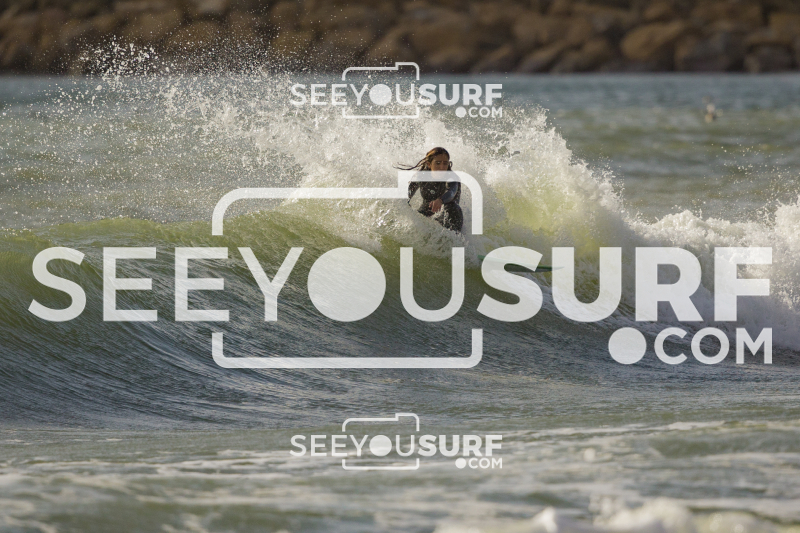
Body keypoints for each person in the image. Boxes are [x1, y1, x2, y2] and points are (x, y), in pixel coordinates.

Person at [396, 147, 463, 232]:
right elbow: (406, 196)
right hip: (426, 213)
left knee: (453, 207)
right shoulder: (421, 176)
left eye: (445, 163)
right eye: (438, 163)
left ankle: (454, 239)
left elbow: (451, 193)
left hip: (449, 218)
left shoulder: (452, 178)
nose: (442, 167)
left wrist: (440, 200)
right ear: (429, 164)